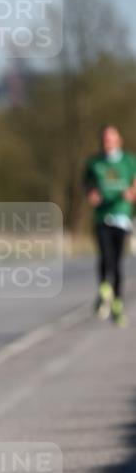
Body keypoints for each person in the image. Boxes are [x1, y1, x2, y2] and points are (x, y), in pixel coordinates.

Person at [83, 125, 136, 327]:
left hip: (121, 216)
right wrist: (91, 194)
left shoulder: (129, 161)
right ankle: (104, 289)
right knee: (105, 255)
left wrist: (131, 193)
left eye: (111, 139)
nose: (108, 142)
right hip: (102, 216)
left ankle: (117, 304)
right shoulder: (94, 163)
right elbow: (87, 185)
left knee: (117, 262)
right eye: (105, 139)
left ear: (119, 140)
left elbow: (134, 184)